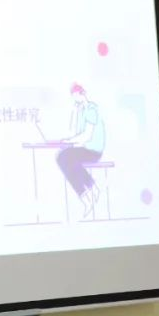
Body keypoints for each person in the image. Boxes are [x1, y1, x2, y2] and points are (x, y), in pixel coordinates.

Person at [56, 83, 106, 219]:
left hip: (93, 150)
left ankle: (89, 193)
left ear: (81, 94)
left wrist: (69, 142)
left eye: (75, 96)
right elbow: (76, 132)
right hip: (85, 148)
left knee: (65, 158)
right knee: (62, 158)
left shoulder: (91, 109)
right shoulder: (82, 110)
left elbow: (86, 136)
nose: (74, 100)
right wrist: (69, 141)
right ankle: (88, 191)